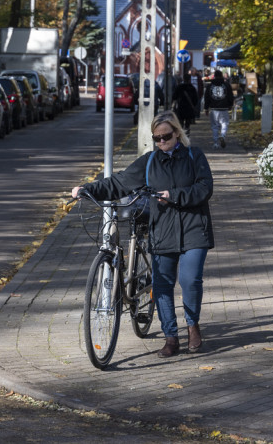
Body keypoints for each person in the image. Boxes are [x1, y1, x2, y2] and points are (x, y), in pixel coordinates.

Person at [71, 111, 214, 357]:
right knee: (161, 285)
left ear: (177, 133)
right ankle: (171, 337)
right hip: (163, 229)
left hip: (193, 227)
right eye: (156, 138)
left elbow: (205, 188)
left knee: (190, 281)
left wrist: (174, 195)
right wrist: (87, 189)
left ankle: (192, 326)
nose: (161, 142)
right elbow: (120, 182)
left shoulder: (194, 155)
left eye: (166, 137)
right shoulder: (149, 162)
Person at [203, 70, 234, 149]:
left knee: (214, 126)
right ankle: (223, 135)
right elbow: (230, 95)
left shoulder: (210, 86)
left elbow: (207, 97)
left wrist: (206, 108)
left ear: (214, 76)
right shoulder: (226, 85)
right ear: (221, 76)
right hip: (224, 108)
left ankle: (216, 143)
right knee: (224, 123)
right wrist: (230, 104)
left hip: (213, 109)